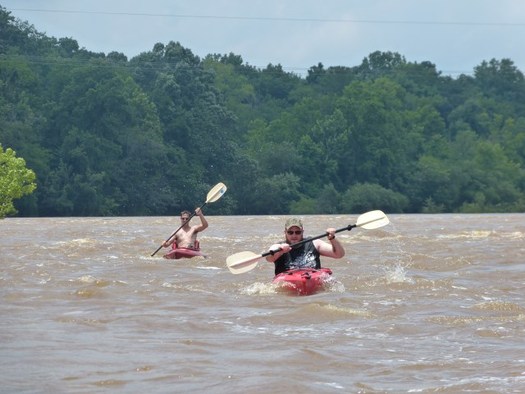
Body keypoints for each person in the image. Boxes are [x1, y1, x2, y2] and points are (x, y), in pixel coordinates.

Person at [265, 218, 345, 275]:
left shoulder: (314, 243)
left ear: (302, 232)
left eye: (297, 232)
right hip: (288, 280)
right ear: (285, 232)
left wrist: (332, 238)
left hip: (311, 278)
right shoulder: (278, 246)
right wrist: (280, 250)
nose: (294, 235)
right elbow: (269, 258)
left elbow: (339, 254)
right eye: (290, 232)